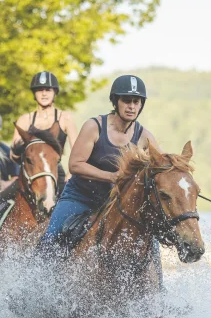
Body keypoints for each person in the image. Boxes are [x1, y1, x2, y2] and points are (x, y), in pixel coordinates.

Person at [41, 74, 160, 244]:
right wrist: (111, 176)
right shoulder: (94, 127)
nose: (131, 106)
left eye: (136, 101)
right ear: (115, 101)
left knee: (151, 243)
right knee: (52, 237)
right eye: (126, 100)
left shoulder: (145, 137)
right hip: (80, 197)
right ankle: (38, 268)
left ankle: (156, 272)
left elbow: (161, 166)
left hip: (116, 202)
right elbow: (75, 165)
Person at [11, 71, 78, 195]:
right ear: (34, 93)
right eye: (39, 90)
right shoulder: (25, 120)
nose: (44, 93)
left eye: (48, 89)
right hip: (29, 173)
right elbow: (13, 156)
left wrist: (70, 174)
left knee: (74, 209)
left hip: (56, 172)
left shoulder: (65, 118)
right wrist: (17, 149)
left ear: (54, 92)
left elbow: (77, 151)